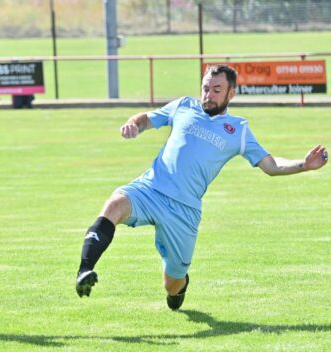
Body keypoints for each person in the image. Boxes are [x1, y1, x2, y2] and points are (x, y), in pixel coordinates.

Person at [75, 65, 328, 310]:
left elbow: (270, 165)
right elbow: (147, 119)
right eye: (206, 88)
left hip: (184, 211)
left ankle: (179, 287)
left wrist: (303, 165)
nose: (208, 94)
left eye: (217, 89)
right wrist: (133, 124)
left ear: (231, 94)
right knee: (114, 204)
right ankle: (85, 268)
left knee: (172, 284)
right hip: (150, 189)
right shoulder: (184, 105)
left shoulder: (238, 130)